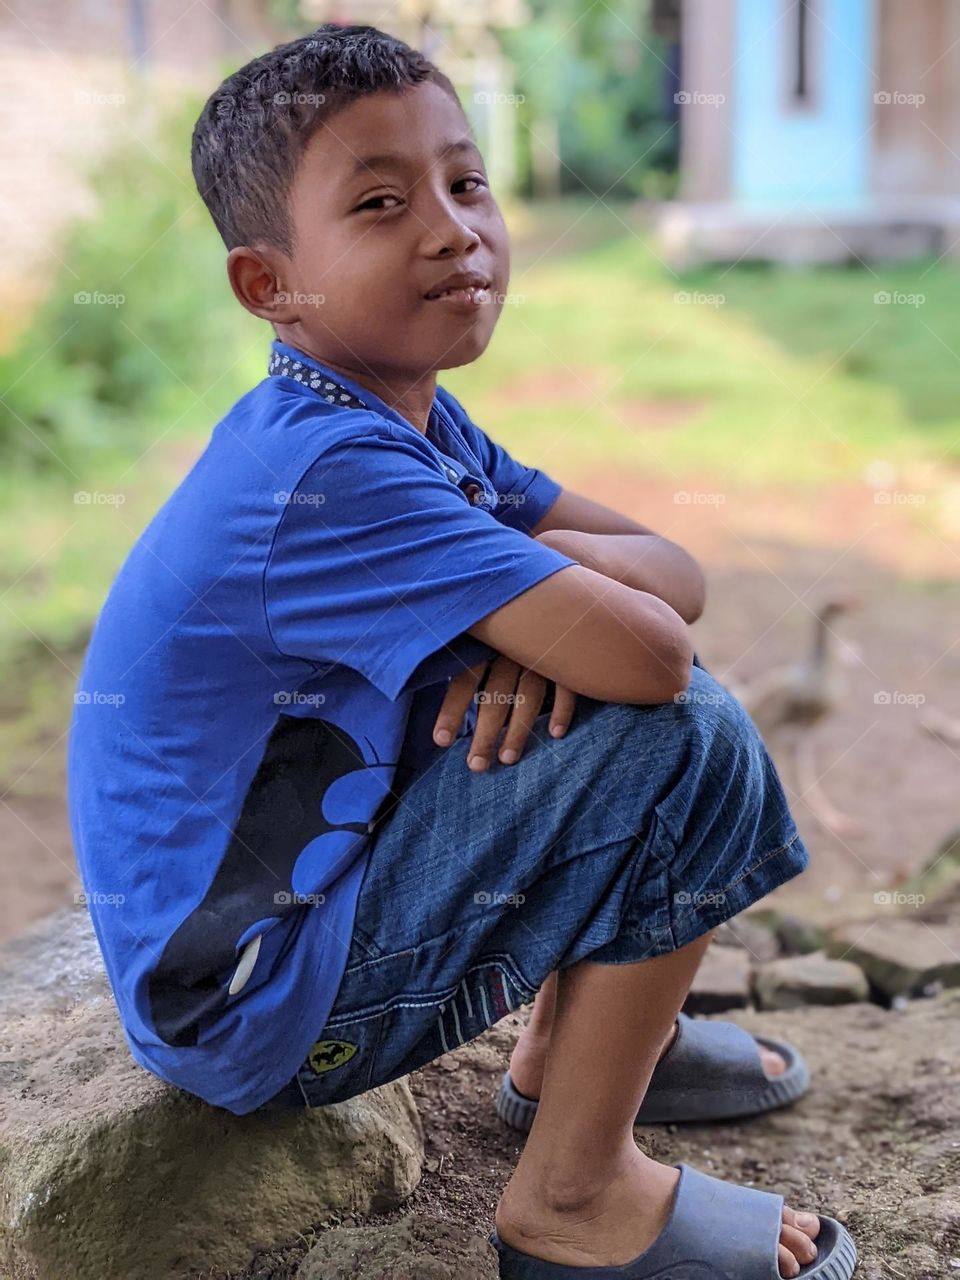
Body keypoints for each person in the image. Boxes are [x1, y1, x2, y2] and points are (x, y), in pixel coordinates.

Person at [66, 23, 856, 1280]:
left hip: (295, 921)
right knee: (683, 732)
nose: (452, 228)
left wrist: (526, 608)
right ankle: (574, 1202)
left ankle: (577, 1061)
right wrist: (536, 603)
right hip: (260, 1002)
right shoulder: (325, 472)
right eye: (381, 203)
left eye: (467, 182)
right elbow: (653, 660)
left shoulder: (397, 409)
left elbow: (678, 573)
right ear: (270, 285)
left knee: (607, 696)